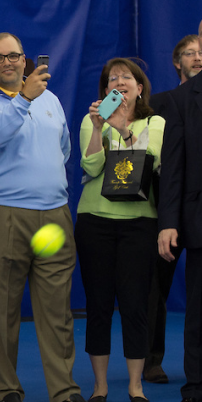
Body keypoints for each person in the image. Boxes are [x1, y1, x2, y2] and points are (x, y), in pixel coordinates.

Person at [0, 32, 83, 402]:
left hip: (54, 214)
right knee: (2, 311)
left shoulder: (51, 100)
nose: (7, 62)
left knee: (57, 312)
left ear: (24, 60)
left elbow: (63, 148)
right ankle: (7, 390)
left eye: (13, 56)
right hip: (5, 215)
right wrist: (25, 99)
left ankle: (64, 391)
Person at [76, 57, 164, 402]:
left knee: (134, 304)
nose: (119, 82)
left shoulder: (154, 122)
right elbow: (92, 165)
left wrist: (124, 130)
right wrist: (100, 128)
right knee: (98, 304)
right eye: (112, 79)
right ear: (106, 89)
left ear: (139, 88)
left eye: (126, 77)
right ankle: (100, 386)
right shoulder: (91, 120)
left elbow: (150, 160)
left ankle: (135, 385)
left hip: (139, 224)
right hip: (95, 223)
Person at [145, 33, 201, 384]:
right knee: (156, 287)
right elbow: (115, 119)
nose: (197, 58)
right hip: (163, 207)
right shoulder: (162, 101)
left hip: (195, 210)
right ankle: (152, 359)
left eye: (201, 52)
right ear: (176, 61)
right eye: (189, 53)